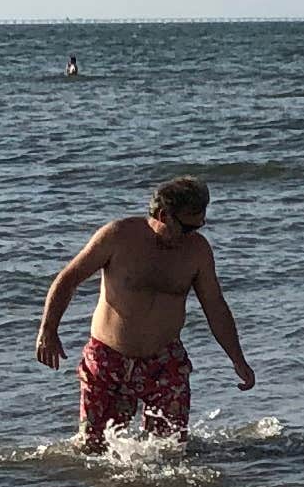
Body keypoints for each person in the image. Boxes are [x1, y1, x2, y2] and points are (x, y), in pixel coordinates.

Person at [35, 174, 255, 451]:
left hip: (165, 362)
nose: (193, 234)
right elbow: (68, 279)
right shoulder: (118, 236)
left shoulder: (197, 251)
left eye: (199, 226)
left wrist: (237, 359)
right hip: (108, 360)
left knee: (170, 451)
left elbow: (215, 306)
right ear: (164, 215)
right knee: (93, 450)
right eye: (187, 227)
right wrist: (48, 329)